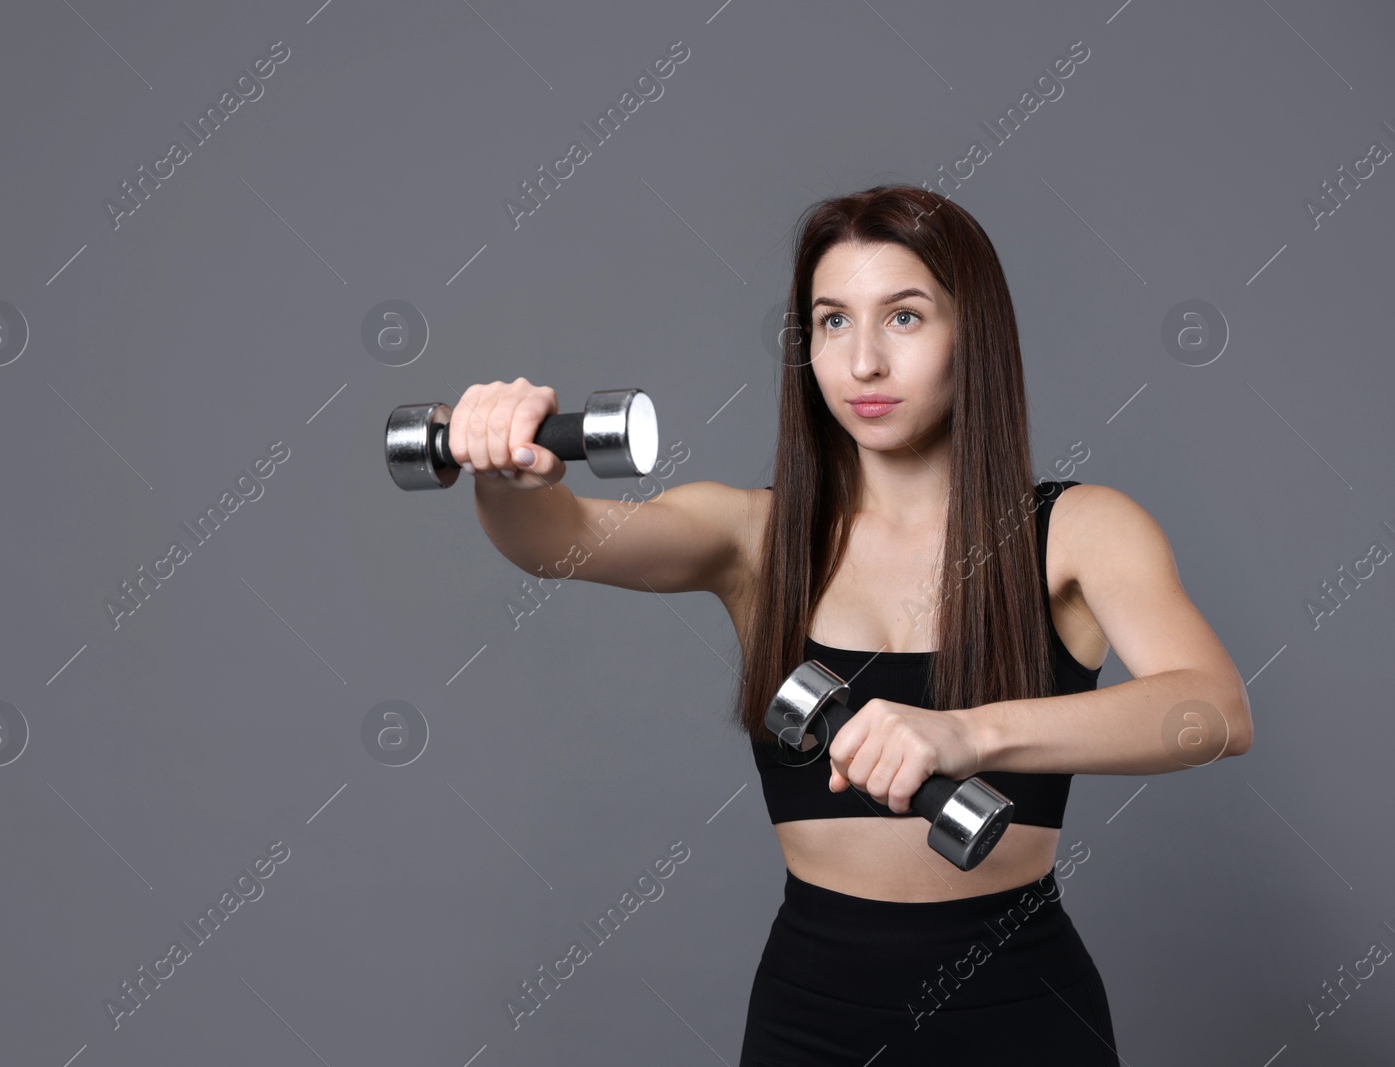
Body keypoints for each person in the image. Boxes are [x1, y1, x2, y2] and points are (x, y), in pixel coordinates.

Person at [454, 185, 1254, 1062]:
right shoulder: (756, 538)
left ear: (971, 334)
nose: (863, 362)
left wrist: (965, 734)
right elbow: (558, 542)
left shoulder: (1078, 529)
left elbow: (1212, 710)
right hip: (811, 1016)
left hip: (1020, 1008)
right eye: (833, 322)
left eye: (903, 318)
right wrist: (505, 472)